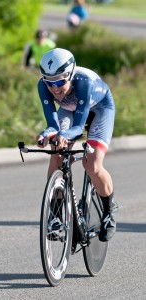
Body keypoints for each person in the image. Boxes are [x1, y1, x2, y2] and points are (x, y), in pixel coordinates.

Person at [36, 48, 118, 242]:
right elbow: (52, 124)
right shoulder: (43, 85)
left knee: (92, 165)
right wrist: (47, 134)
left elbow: (79, 127)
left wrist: (64, 134)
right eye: (50, 82)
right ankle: (55, 216)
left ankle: (108, 211)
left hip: (100, 109)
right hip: (69, 109)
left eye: (60, 82)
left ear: (71, 74)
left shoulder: (84, 82)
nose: (54, 88)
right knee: (56, 152)